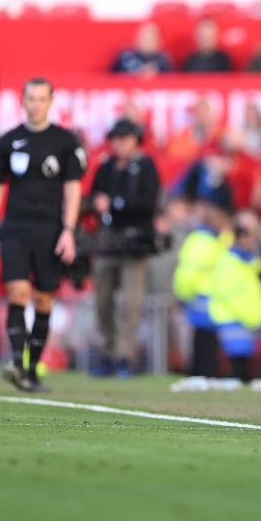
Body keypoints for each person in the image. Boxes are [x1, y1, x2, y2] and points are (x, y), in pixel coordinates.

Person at [0, 79, 85, 392]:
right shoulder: (8, 141)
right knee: (18, 293)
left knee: (43, 299)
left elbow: (73, 188)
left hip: (51, 230)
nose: (36, 104)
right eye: (31, 99)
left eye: (41, 99)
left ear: (51, 101)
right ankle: (17, 363)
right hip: (16, 229)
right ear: (23, 101)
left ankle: (33, 371)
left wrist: (68, 231)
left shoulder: (65, 142)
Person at [89, 118, 160, 378]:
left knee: (130, 303)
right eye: (116, 140)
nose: (120, 145)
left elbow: (148, 203)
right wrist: (96, 204)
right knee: (102, 302)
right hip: (108, 241)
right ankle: (109, 352)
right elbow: (92, 197)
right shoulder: (106, 167)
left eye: (125, 139)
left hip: (135, 243)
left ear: (135, 140)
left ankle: (124, 357)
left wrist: (116, 204)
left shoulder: (145, 166)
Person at [208, 209, 261, 381]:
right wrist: (256, 320)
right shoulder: (231, 264)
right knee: (235, 371)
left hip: (242, 325)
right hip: (235, 324)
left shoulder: (244, 264)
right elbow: (236, 298)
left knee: (243, 372)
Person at [173, 201, 231, 377]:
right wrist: (183, 294)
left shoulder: (207, 241)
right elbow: (188, 273)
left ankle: (203, 374)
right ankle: (203, 374)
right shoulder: (204, 242)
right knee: (204, 342)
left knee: (205, 342)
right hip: (203, 300)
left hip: (204, 300)